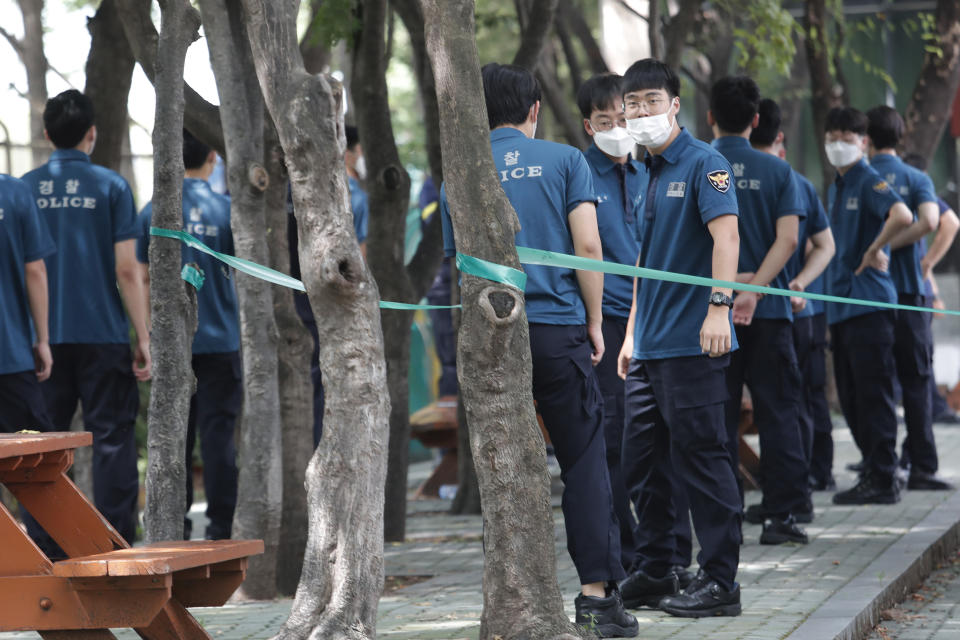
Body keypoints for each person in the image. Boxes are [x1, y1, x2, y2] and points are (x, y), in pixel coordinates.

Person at [440, 62, 637, 638]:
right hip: (557, 332)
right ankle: (596, 598)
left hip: (490, 337)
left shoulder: (462, 172)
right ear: (533, 110)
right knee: (583, 461)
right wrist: (597, 321)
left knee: (505, 465)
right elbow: (588, 244)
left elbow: (460, 265)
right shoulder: (567, 160)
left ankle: (515, 593)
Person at [617, 58, 743, 618]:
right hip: (647, 347)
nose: (641, 111)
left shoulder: (704, 164)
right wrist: (629, 333)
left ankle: (721, 582)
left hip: (696, 345)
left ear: (674, 104)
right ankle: (657, 568)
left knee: (704, 461)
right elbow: (648, 261)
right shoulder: (645, 170)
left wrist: (719, 308)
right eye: (632, 103)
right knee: (645, 465)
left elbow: (728, 238)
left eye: (651, 100)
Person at [21, 89, 150, 543]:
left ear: (46, 135)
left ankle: (48, 548)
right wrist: (144, 335)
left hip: (41, 339)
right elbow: (128, 270)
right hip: (103, 334)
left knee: (43, 448)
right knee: (112, 439)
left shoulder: (24, 189)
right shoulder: (112, 187)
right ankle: (115, 545)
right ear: (91, 134)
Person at [577, 72, 682, 581]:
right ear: (588, 125)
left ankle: (670, 553)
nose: (619, 128)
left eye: (624, 117)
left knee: (662, 438)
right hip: (607, 326)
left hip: (658, 322)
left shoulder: (651, 173)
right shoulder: (578, 175)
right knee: (616, 440)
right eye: (606, 121)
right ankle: (629, 553)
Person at [708, 78, 809, 544]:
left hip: (711, 314)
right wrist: (757, 288)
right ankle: (781, 517)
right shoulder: (778, 171)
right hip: (768, 314)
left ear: (709, 118)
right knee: (778, 413)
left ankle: (723, 519)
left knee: (718, 416)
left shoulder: (696, 165)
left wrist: (730, 290)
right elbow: (789, 240)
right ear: (755, 120)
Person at [136, 130, 242, 540]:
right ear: (213, 156)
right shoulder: (226, 210)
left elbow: (141, 277)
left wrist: (148, 333)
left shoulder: (153, 212)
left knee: (174, 435)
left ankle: (173, 526)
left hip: (174, 342)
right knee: (218, 435)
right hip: (222, 339)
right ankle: (221, 527)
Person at [823, 106, 912, 505]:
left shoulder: (867, 179)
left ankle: (884, 477)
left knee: (872, 396)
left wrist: (877, 246)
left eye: (847, 137)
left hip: (870, 306)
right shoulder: (837, 185)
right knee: (852, 397)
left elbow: (903, 214)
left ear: (864, 142)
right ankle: (873, 470)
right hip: (842, 306)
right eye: (832, 137)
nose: (838, 144)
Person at [749, 100, 836, 502]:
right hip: (790, 311)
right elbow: (825, 245)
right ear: (779, 136)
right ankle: (796, 495)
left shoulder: (711, 171)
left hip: (727, 311)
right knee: (792, 404)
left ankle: (779, 490)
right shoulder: (793, 179)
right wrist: (799, 282)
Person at [864, 106, 952, 491]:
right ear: (900, 136)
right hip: (912, 294)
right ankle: (923, 467)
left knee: (875, 383)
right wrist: (926, 262)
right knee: (916, 383)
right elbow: (934, 222)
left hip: (868, 297)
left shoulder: (858, 179)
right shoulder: (916, 178)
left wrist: (876, 248)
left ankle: (879, 468)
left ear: (864, 138)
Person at [0, 172, 57, 553]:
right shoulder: (14, 193)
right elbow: (34, 270)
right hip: (10, 355)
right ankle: (48, 558)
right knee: (36, 464)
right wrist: (43, 338)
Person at [345, 125, 370, 258]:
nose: (363, 158)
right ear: (347, 155)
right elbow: (362, 245)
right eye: (361, 152)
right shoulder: (357, 196)